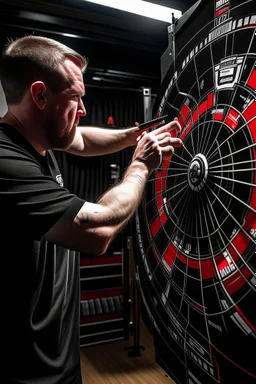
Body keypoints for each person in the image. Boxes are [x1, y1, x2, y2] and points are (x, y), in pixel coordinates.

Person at [0, 35, 182, 384]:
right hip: (27, 372)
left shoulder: (40, 139)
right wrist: (140, 165)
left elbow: (82, 138)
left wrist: (133, 136)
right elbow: (98, 232)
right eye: (76, 98)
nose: (83, 109)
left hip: (58, 359)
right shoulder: (6, 160)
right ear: (39, 95)